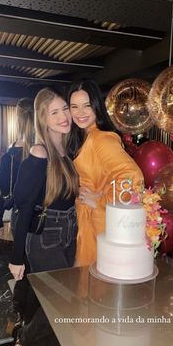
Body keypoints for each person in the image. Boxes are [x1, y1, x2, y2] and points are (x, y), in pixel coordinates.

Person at [8, 88, 79, 346]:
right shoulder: (40, 152)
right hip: (45, 236)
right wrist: (16, 257)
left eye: (65, 109)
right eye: (55, 112)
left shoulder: (66, 150)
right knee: (60, 301)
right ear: (43, 119)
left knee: (50, 298)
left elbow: (64, 195)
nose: (64, 117)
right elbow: (24, 208)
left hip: (67, 232)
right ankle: (29, 342)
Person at [67, 79, 144, 267]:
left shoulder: (101, 138)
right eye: (74, 106)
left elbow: (133, 177)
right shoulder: (83, 136)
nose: (80, 113)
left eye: (86, 106)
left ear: (96, 106)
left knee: (94, 283)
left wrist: (100, 201)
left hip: (98, 222)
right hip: (86, 220)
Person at [0, 98, 34, 237]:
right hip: (39, 212)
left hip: (19, 211)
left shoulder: (12, 150)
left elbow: (5, 187)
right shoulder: (43, 146)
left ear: (18, 119)